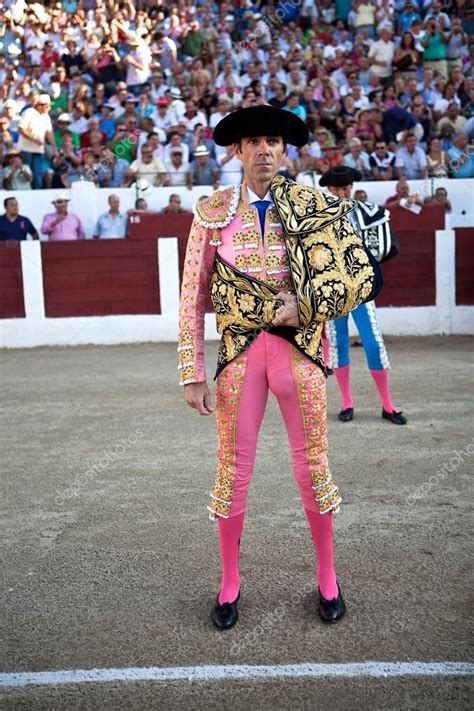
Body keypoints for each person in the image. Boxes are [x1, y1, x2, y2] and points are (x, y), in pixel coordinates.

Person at [178, 106, 382, 630]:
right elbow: (192, 296)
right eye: (254, 142)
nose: (264, 149)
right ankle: (229, 581)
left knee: (313, 465)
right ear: (237, 151)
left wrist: (308, 306)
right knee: (233, 469)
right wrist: (191, 369)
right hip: (239, 356)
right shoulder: (211, 211)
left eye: (273, 141)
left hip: (302, 354)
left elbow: (353, 278)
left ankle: (329, 578)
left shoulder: (314, 205)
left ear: (284, 150)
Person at [321, 165, 407, 426]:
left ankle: (388, 405)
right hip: (334, 290)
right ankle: (347, 402)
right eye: (338, 189)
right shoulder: (319, 216)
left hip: (360, 289)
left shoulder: (366, 213)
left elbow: (380, 246)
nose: (343, 193)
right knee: (338, 345)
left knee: (372, 342)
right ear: (329, 189)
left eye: (346, 189)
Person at [17, 94, 56, 189]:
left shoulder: (46, 116)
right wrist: (33, 139)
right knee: (26, 174)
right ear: (40, 105)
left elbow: (49, 133)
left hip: (38, 150)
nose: (49, 108)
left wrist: (55, 148)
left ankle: (36, 195)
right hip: (25, 150)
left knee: (38, 174)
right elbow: (21, 129)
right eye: (47, 106)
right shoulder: (28, 112)